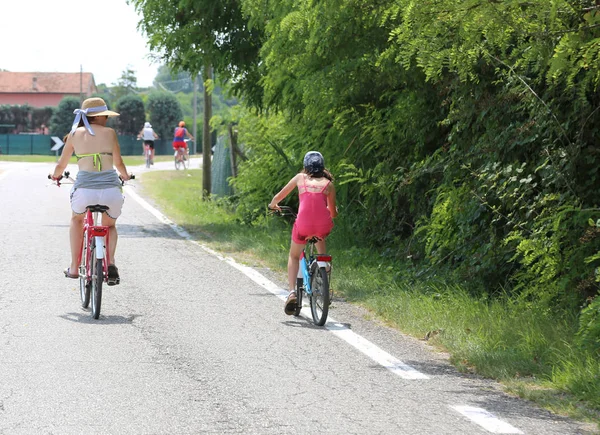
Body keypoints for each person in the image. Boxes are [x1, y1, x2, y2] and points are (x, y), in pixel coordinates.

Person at [51, 97, 132, 286]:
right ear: (101, 116)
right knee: (109, 226)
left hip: (85, 191)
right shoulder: (110, 133)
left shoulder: (74, 134)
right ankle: (111, 263)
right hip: (111, 191)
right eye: (106, 116)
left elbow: (61, 165)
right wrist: (126, 176)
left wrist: (56, 177)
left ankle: (73, 267)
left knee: (76, 220)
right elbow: (119, 163)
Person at [268, 151, 338, 315]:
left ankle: (291, 292)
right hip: (322, 226)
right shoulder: (329, 184)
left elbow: (279, 196)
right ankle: (324, 266)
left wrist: (273, 204)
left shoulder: (300, 178)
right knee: (320, 231)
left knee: (294, 255)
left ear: (306, 167)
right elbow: (333, 213)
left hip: (303, 226)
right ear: (322, 167)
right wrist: (330, 210)